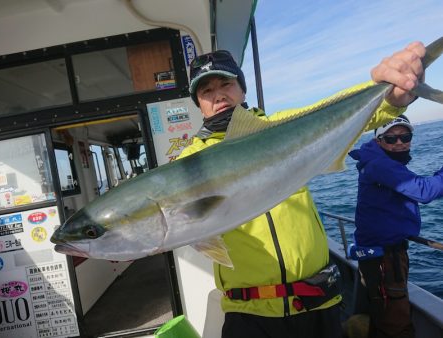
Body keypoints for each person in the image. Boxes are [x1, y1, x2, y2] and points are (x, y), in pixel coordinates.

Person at [177, 41, 426, 338]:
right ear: (199, 103)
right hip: (249, 315)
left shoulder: (279, 128)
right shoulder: (188, 162)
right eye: (206, 91)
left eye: (226, 84)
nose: (218, 94)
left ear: (242, 90)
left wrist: (389, 95)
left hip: (318, 303)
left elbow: (331, 112)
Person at [348, 115, 443, 338]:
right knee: (395, 322)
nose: (399, 142)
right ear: (379, 140)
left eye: (405, 136)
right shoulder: (380, 165)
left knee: (381, 313)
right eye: (391, 138)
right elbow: (424, 191)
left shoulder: (377, 161)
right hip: (384, 259)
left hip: (379, 255)